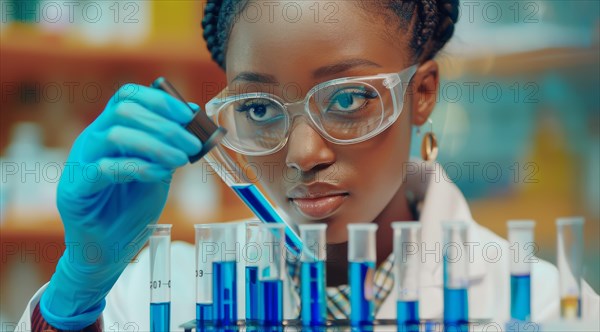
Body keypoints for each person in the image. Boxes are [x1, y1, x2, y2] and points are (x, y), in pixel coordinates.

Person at [17, 0, 599, 331]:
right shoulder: (153, 297)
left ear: (421, 93)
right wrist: (79, 288)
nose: (303, 155)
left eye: (347, 100)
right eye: (259, 108)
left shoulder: (547, 307)